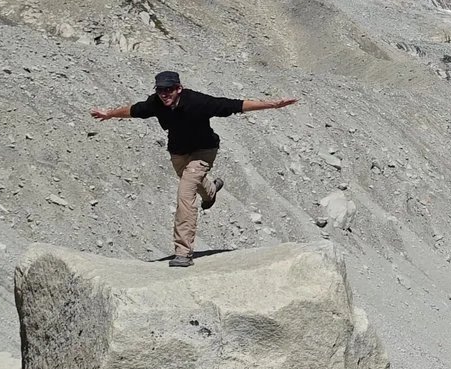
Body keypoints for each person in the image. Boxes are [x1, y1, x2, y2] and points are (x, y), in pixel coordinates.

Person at [91, 70, 297, 266]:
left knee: (185, 192)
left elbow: (234, 104)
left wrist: (272, 105)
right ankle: (211, 191)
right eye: (160, 90)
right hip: (178, 152)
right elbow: (133, 110)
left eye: (168, 90)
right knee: (191, 181)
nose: (164, 94)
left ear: (179, 88)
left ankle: (183, 252)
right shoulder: (155, 103)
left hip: (203, 151)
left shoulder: (198, 101)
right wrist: (109, 114)